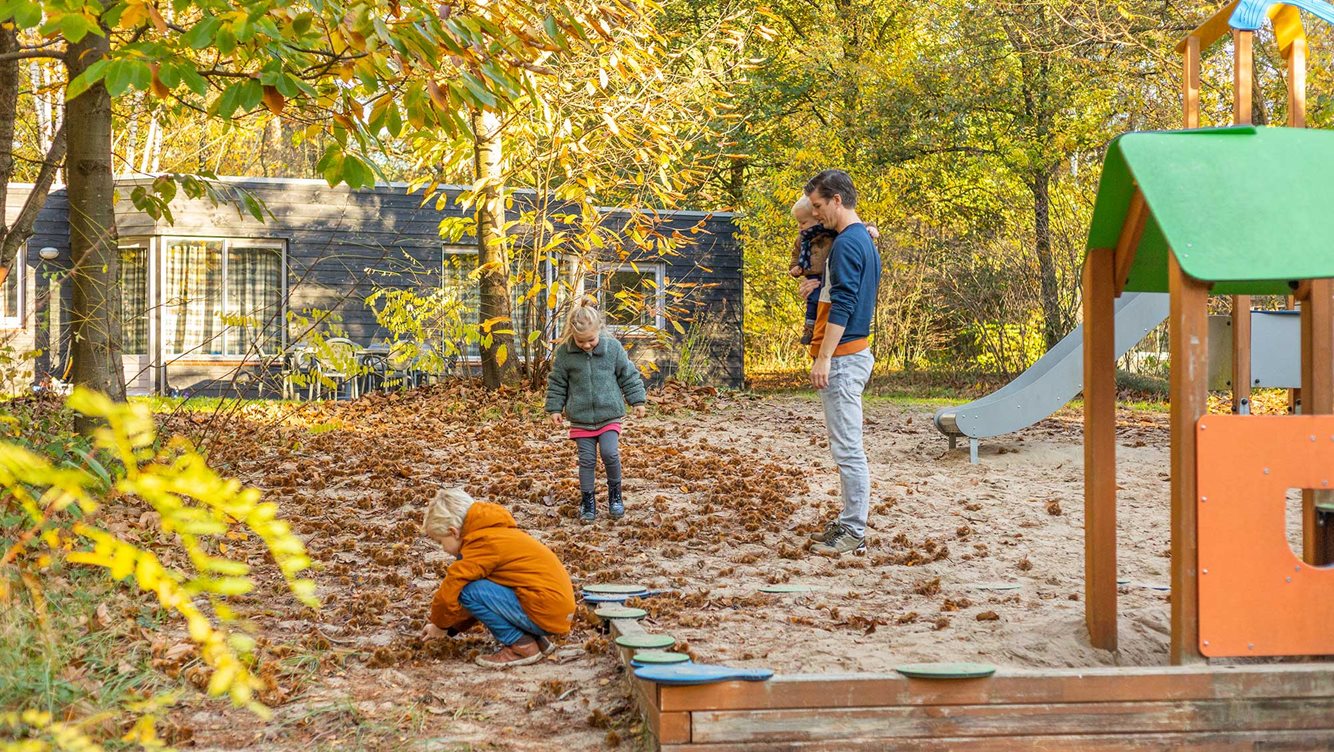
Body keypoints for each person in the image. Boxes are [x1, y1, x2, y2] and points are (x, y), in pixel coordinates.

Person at [800, 169, 881, 557]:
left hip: (845, 357)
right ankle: (848, 520)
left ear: (836, 200)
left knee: (848, 449)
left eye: (818, 206)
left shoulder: (849, 244)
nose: (816, 216)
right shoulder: (861, 238)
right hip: (850, 353)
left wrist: (825, 357)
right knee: (845, 447)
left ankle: (853, 531)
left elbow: (846, 303)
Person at [420, 488, 576, 668]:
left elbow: (451, 592)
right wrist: (451, 628)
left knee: (467, 591)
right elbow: (485, 600)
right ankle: (538, 640)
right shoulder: (495, 532)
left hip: (545, 610)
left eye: (441, 542)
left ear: (454, 532)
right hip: (555, 610)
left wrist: (438, 625)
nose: (443, 549)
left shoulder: (482, 544)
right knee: (479, 588)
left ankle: (521, 646)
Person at [544, 296, 647, 522]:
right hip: (580, 419)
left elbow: (628, 375)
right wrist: (554, 408)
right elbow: (557, 382)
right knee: (587, 460)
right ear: (573, 336)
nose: (587, 345)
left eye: (591, 340)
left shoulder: (612, 349)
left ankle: (615, 496)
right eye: (581, 342)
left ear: (599, 330)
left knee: (610, 454)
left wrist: (637, 401)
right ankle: (588, 501)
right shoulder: (565, 354)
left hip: (609, 415)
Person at [788, 195, 838, 345]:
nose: (800, 227)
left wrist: (870, 228)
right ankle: (809, 327)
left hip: (827, 277)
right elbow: (795, 256)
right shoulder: (802, 239)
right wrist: (794, 269)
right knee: (812, 300)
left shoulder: (832, 233)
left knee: (822, 301)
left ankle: (820, 329)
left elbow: (856, 225)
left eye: (803, 222)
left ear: (817, 219)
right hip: (811, 277)